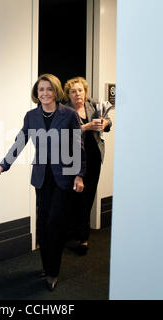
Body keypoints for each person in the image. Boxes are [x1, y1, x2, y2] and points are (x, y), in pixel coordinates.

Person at [0, 74, 85, 291]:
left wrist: (79, 175)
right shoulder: (31, 116)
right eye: (41, 89)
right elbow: (20, 142)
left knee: (55, 224)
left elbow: (78, 146)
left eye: (49, 89)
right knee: (42, 225)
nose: (44, 93)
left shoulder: (68, 115)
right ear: (36, 92)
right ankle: (46, 265)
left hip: (64, 177)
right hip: (41, 178)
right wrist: (2, 167)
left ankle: (53, 271)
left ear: (56, 91)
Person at [64, 77, 112, 255]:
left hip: (94, 157)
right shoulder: (65, 110)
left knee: (88, 197)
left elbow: (108, 122)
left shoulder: (93, 105)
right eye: (73, 91)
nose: (78, 94)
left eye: (80, 90)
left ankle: (83, 239)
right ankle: (69, 233)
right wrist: (86, 127)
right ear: (69, 94)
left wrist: (105, 123)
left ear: (85, 92)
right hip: (74, 159)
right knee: (74, 197)